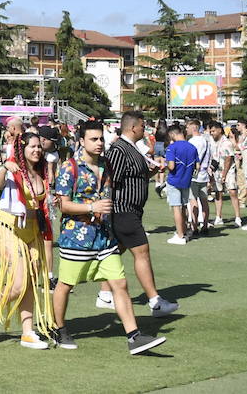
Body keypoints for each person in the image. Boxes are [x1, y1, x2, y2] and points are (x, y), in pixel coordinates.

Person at [50, 121, 166, 355]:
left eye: (101, 139)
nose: (100, 143)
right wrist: (91, 207)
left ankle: (134, 336)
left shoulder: (107, 165)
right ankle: (58, 327)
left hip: (105, 237)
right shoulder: (69, 167)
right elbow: (62, 204)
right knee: (65, 285)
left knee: (120, 284)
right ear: (81, 142)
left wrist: (149, 172)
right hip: (77, 238)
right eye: (94, 139)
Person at [0, 133, 55, 348]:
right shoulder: (14, 169)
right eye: (32, 146)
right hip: (10, 227)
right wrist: (4, 166)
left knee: (31, 281)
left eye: (39, 146)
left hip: (33, 229)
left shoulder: (43, 171)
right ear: (23, 148)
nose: (37, 150)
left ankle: (28, 332)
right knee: (19, 284)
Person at [99, 111, 179, 316]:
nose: (145, 129)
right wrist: (107, 208)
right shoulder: (119, 149)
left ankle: (105, 294)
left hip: (132, 209)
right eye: (143, 126)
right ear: (133, 127)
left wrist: (153, 171)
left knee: (117, 250)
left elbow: (136, 175)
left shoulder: (132, 147)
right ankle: (155, 301)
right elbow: (111, 180)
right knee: (142, 251)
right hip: (122, 209)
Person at [163, 123, 197, 244]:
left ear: (172, 134)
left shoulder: (172, 148)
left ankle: (180, 235)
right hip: (186, 180)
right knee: (183, 207)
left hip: (174, 180)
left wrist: (165, 164)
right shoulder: (192, 147)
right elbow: (197, 166)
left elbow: (171, 166)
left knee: (176, 207)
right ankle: (185, 230)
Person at [209, 122, 241, 227]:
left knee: (232, 192)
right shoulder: (212, 142)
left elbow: (228, 159)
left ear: (219, 130)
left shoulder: (226, 143)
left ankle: (237, 217)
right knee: (218, 193)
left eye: (213, 131)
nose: (211, 133)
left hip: (228, 171)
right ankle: (218, 217)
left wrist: (224, 174)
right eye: (210, 131)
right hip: (217, 170)